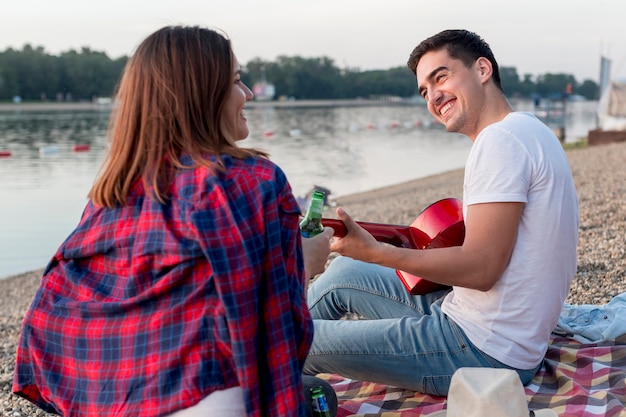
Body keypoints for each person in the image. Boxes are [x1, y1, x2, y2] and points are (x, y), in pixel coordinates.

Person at [12, 25, 333, 417]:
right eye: (235, 81)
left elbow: (55, 306)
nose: (248, 93)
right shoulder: (252, 182)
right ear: (203, 94)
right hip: (213, 398)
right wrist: (304, 262)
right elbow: (276, 327)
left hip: (108, 399)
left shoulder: (110, 195)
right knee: (317, 395)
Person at [303, 29, 579, 396]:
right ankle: (266, 333)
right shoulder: (528, 129)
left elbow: (482, 269)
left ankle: (244, 366)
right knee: (344, 273)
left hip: (485, 350)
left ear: (482, 69)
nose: (433, 96)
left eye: (441, 76)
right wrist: (373, 255)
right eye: (424, 90)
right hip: (488, 322)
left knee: (296, 339)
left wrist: (379, 253)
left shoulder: (499, 142)